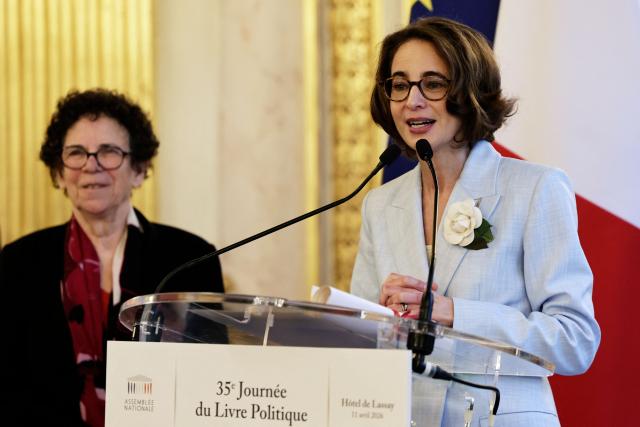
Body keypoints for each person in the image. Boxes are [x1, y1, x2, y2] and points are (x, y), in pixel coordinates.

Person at [350, 17, 600, 426]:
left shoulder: (536, 189)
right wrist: (378, 320)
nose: (412, 101)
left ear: (469, 93)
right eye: (399, 85)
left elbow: (575, 342)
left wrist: (454, 314)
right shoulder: (381, 204)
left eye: (432, 83)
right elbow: (360, 338)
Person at [0, 89, 224, 426]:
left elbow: (209, 378)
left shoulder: (191, 258)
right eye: (76, 153)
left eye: (109, 152)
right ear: (60, 174)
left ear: (138, 169)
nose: (91, 165)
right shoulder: (19, 262)